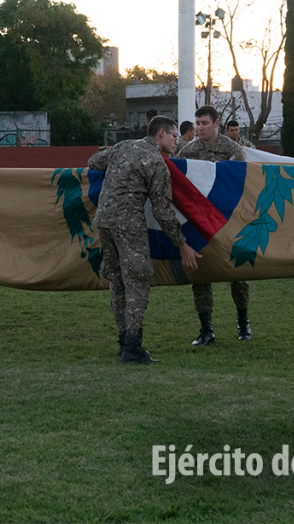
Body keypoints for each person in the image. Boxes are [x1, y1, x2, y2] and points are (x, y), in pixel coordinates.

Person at [88, 115, 200, 363]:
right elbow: (162, 211)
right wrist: (182, 244)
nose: (176, 141)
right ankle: (132, 346)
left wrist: (113, 154)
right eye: (174, 136)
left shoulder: (123, 146)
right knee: (137, 279)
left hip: (104, 221)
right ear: (161, 133)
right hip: (128, 225)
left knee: (117, 281)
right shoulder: (156, 162)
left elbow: (93, 161)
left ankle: (123, 342)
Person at [180, 106, 251, 345]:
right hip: (199, 222)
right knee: (200, 274)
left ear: (216, 123)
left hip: (229, 220)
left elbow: (240, 184)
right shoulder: (187, 151)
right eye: (197, 123)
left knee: (238, 274)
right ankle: (206, 329)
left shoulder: (233, 150)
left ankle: (243, 323)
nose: (199, 128)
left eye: (204, 123)